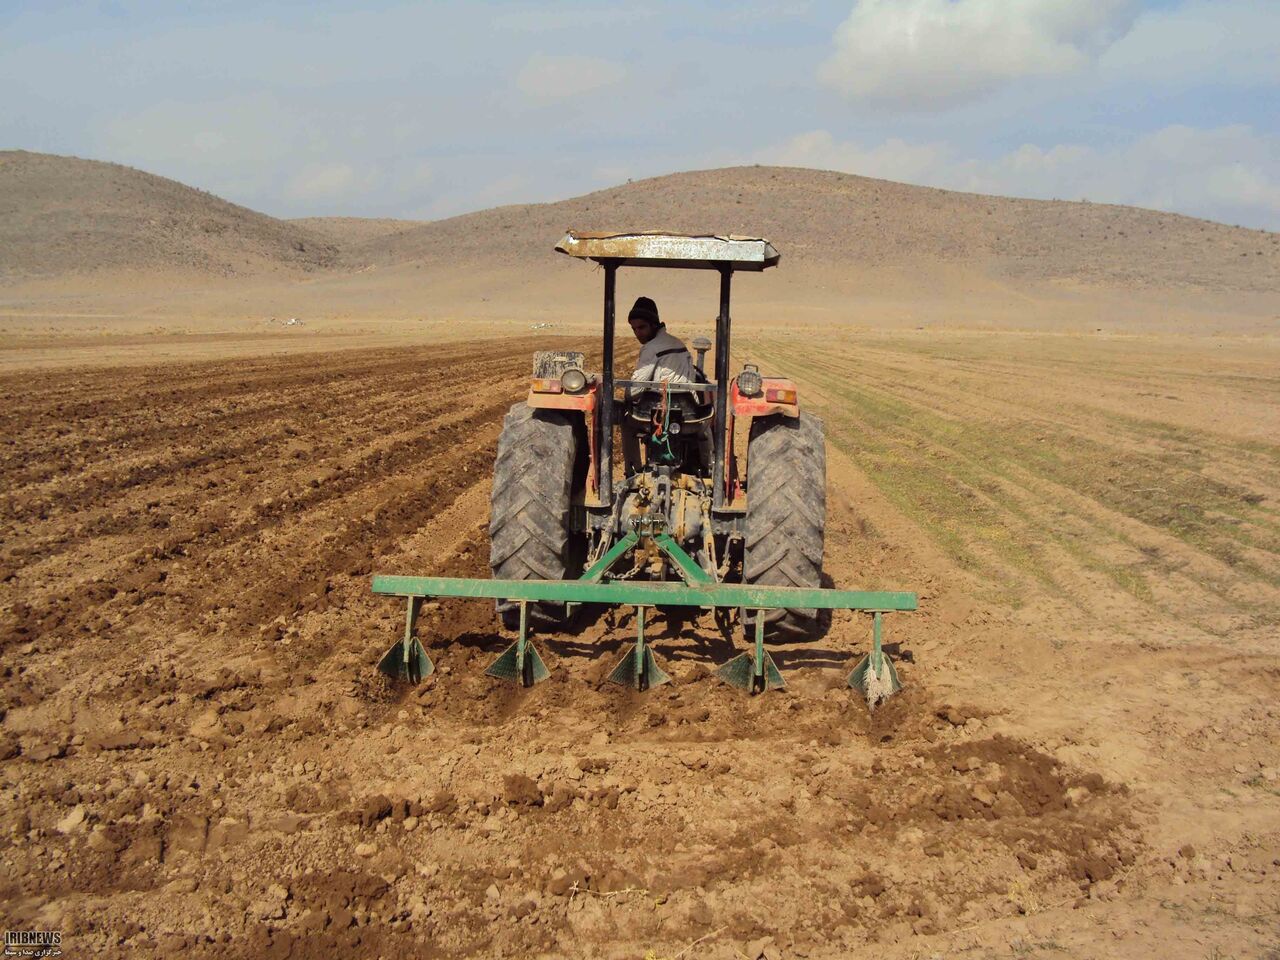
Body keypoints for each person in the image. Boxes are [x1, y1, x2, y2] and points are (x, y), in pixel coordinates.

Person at [622, 296, 711, 471]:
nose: (638, 333)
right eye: (634, 329)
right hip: (689, 415)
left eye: (642, 327)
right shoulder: (679, 344)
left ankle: (633, 469)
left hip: (656, 416)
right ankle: (707, 466)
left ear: (654, 324)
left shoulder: (651, 348)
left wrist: (628, 396)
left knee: (625, 419)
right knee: (706, 426)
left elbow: (636, 388)